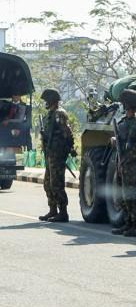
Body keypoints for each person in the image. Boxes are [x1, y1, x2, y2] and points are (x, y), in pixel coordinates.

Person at [110, 89, 136, 237]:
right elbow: (121, 143)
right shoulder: (123, 122)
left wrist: (125, 161)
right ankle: (128, 223)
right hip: (123, 164)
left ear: (128, 105)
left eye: (123, 103)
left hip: (134, 165)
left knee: (134, 196)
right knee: (124, 195)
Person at [39, 89, 75, 223]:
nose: (45, 103)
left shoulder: (60, 114)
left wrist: (66, 150)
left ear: (52, 100)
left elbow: (68, 133)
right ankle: (53, 210)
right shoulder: (49, 115)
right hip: (50, 154)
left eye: (46, 101)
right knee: (48, 183)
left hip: (57, 154)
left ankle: (63, 212)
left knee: (57, 183)